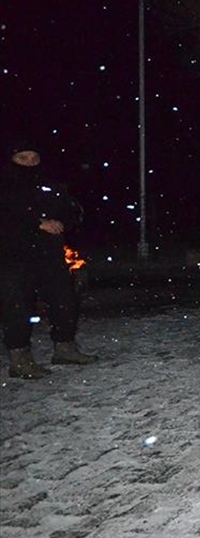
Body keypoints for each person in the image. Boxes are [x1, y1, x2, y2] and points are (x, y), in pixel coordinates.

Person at [0, 142, 95, 379]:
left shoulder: (49, 184)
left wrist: (64, 221)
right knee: (18, 305)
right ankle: (19, 358)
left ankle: (65, 348)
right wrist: (36, 224)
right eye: (23, 157)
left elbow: (72, 208)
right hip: (14, 254)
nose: (30, 162)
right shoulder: (6, 186)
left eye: (34, 157)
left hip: (49, 253)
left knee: (64, 298)